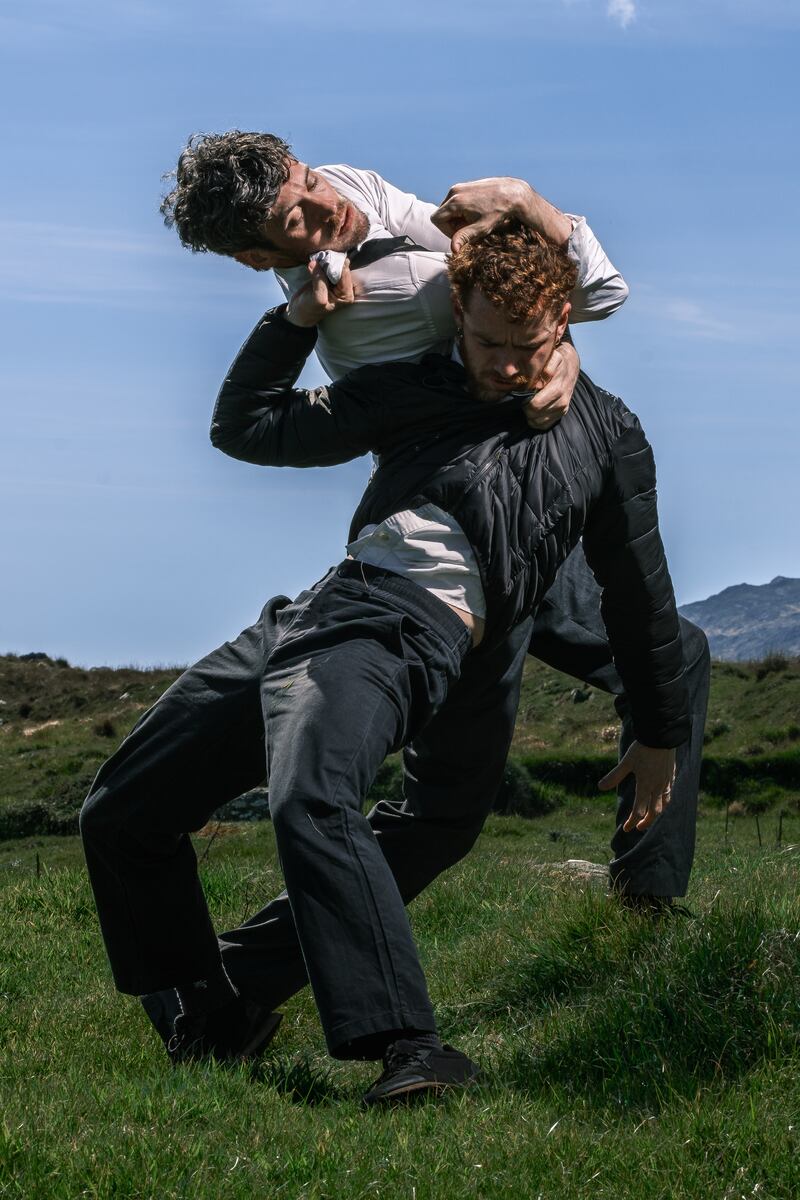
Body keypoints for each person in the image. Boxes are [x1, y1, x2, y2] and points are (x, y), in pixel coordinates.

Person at [81, 223, 691, 1104]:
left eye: (525, 347)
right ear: (457, 316)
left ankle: (413, 1049)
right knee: (121, 809)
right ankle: (212, 1012)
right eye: (485, 342)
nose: (506, 367)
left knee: (315, 794)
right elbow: (248, 426)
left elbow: (639, 592)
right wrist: (294, 320)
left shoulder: (608, 434)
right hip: (323, 609)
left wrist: (660, 730)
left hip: (409, 629)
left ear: (563, 320)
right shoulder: (419, 385)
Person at [160, 132, 709, 905]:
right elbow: (579, 296)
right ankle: (272, 960)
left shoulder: (345, 187)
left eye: (307, 178)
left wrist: (557, 338)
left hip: (521, 503)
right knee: (445, 812)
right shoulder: (368, 311)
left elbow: (503, 282)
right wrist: (531, 221)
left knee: (674, 655)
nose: (326, 202)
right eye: (295, 219)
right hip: (459, 531)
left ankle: (648, 895)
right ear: (258, 258)